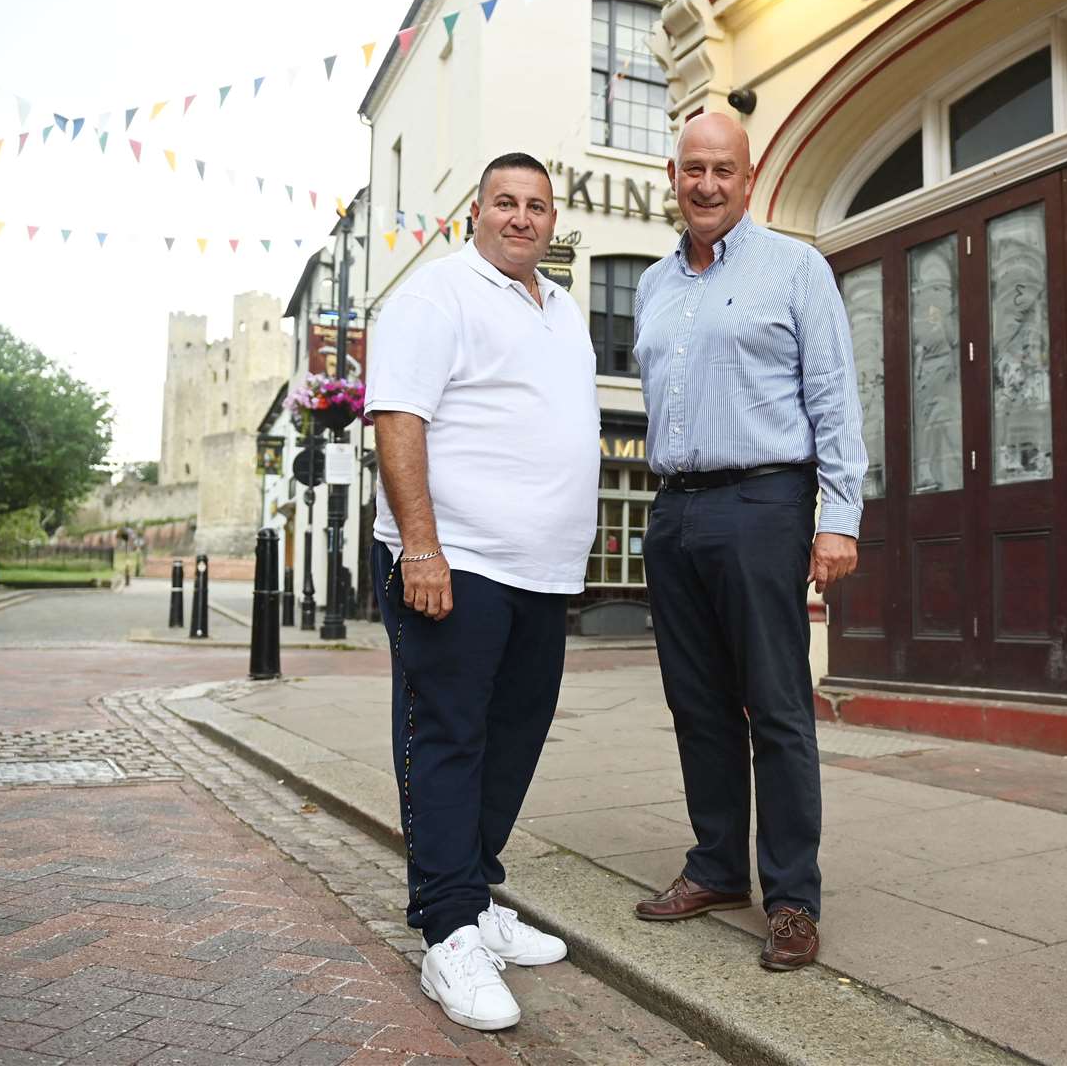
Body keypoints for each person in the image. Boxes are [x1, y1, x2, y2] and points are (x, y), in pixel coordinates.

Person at [365, 152, 598, 1032]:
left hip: (541, 572)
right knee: (449, 741)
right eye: (506, 202)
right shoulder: (437, 295)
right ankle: (448, 931)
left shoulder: (562, 306)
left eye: (537, 206)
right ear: (476, 211)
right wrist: (421, 547)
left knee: (513, 739)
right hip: (456, 562)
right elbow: (399, 418)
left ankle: (475, 891)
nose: (522, 218)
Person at [630, 113, 867, 971]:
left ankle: (793, 898)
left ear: (749, 174)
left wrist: (837, 517)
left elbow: (835, 397)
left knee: (775, 706)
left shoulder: (796, 268)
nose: (707, 184)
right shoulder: (655, 285)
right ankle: (719, 866)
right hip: (674, 510)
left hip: (765, 500)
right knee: (696, 702)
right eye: (694, 168)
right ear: (673, 173)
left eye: (722, 169)